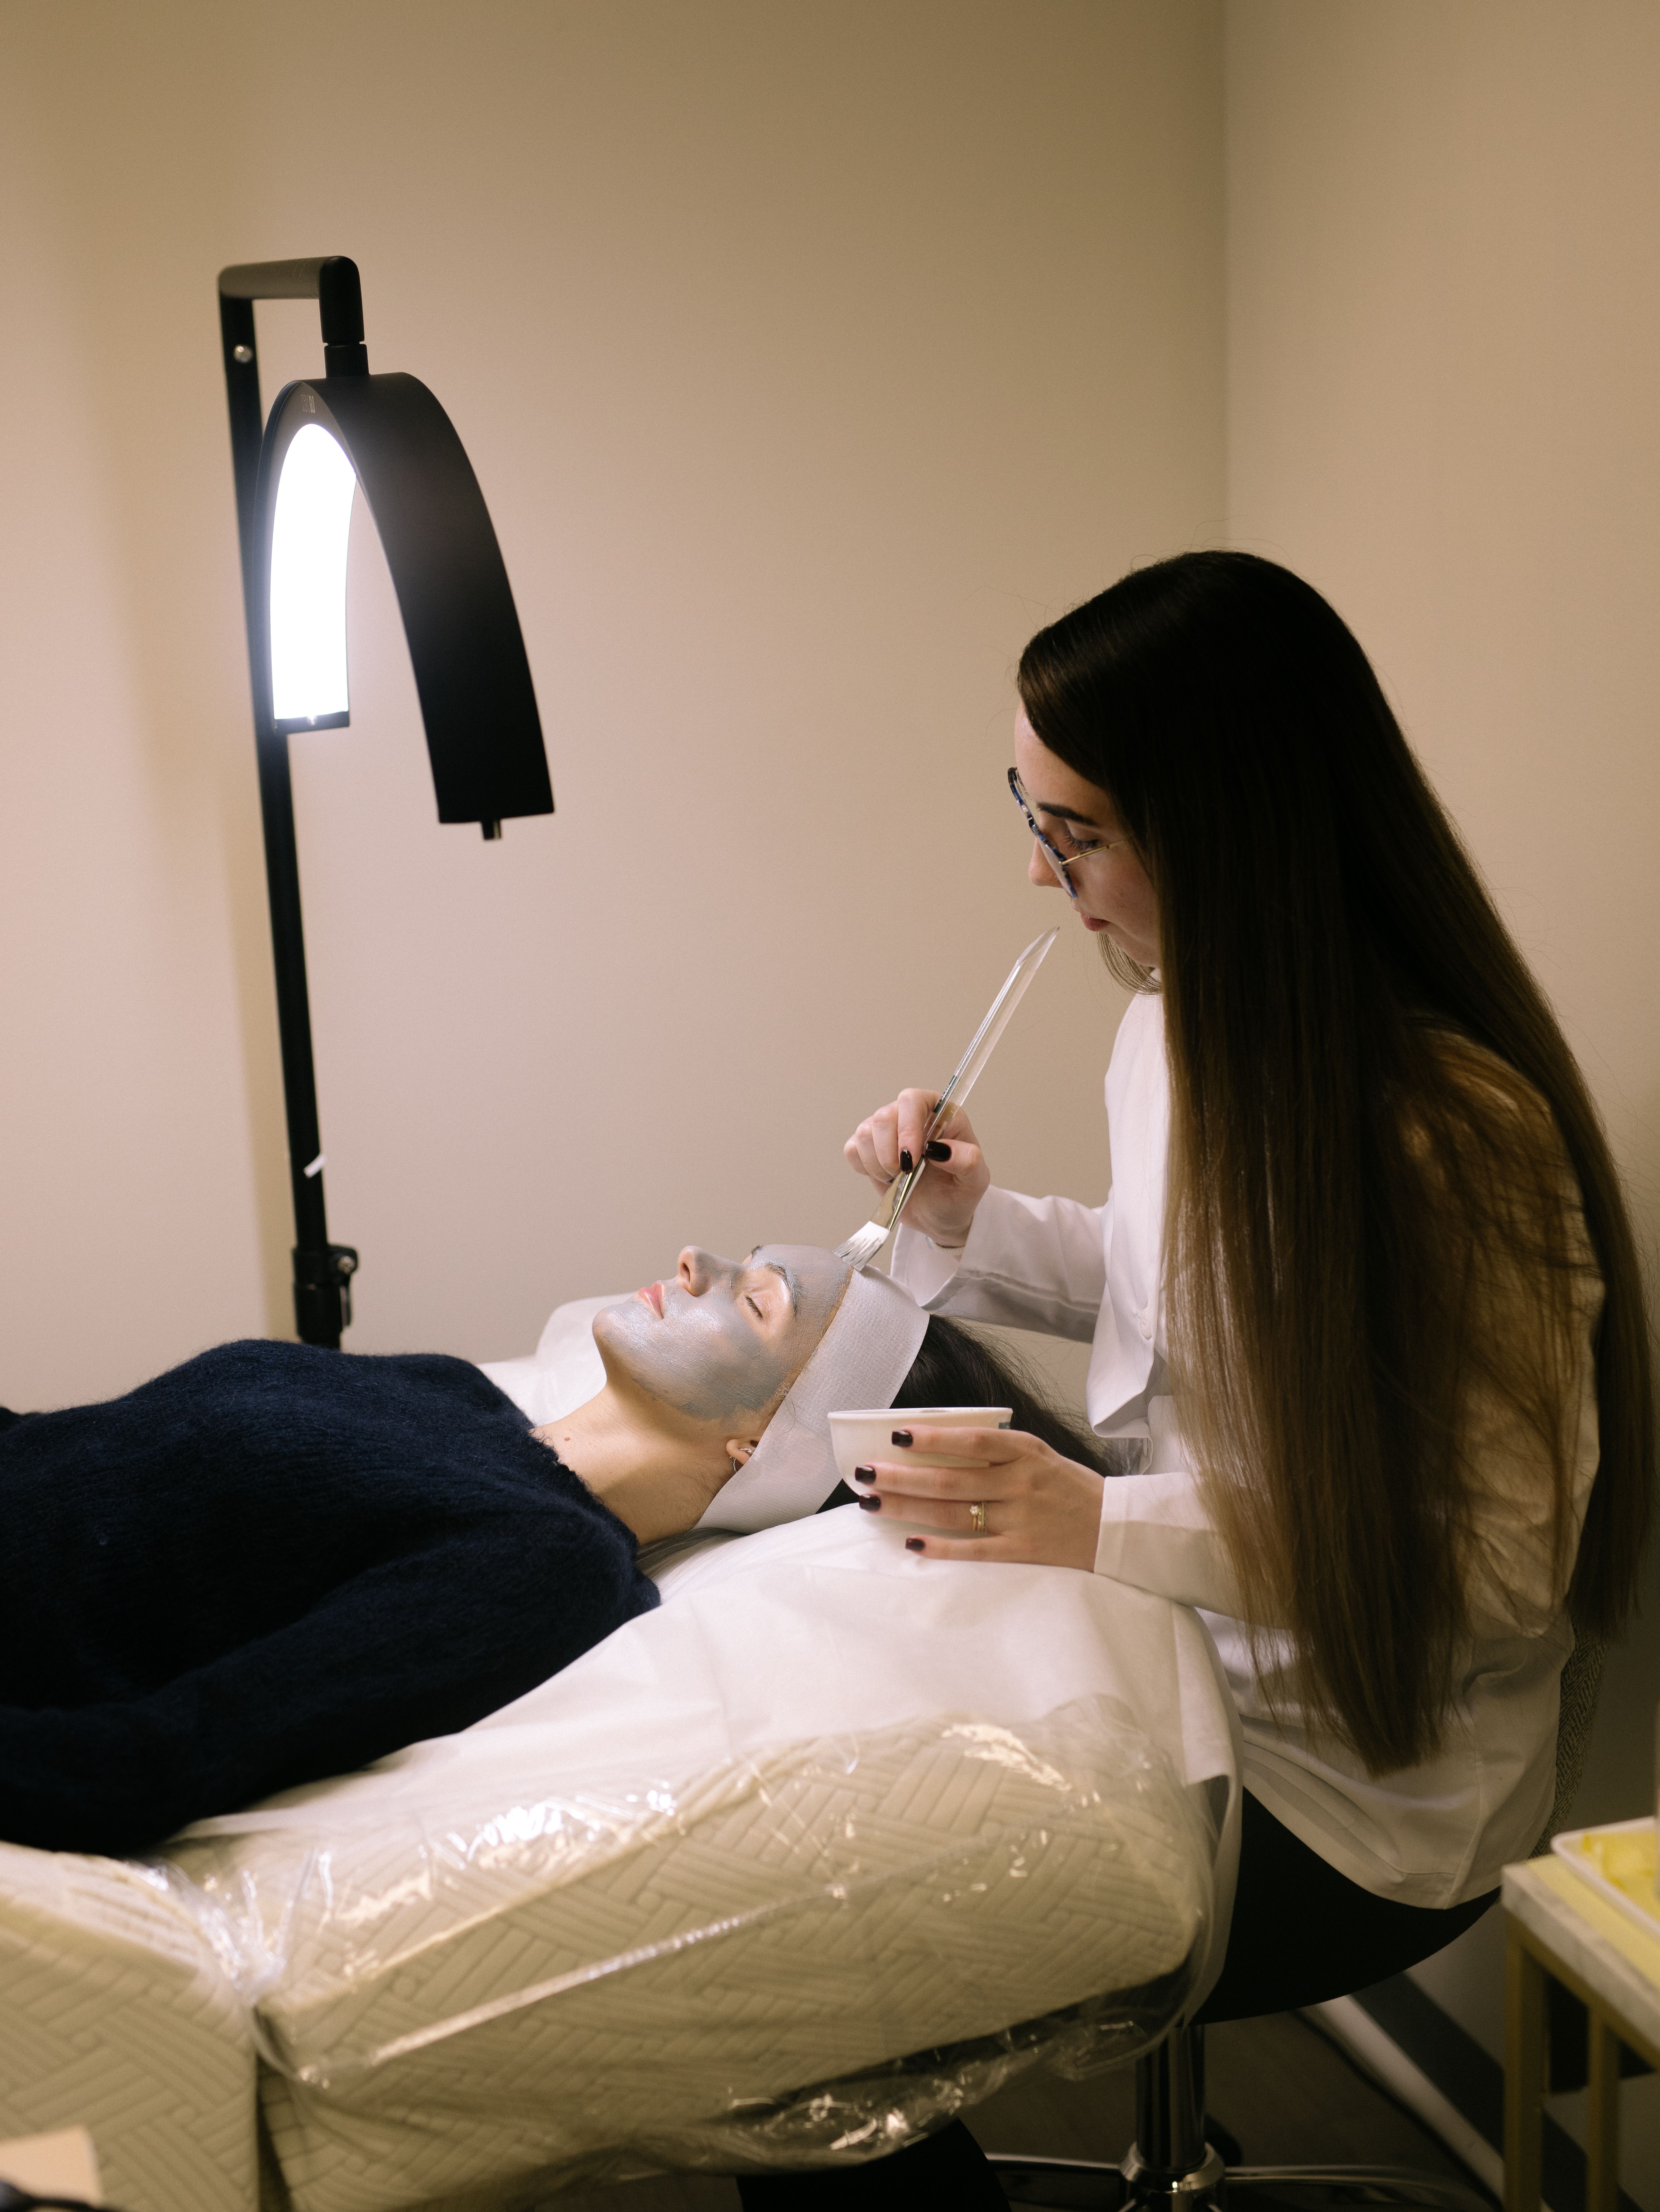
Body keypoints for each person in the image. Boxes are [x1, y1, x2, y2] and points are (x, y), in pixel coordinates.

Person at [798, 550, 1651, 2208]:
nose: (1047, 878)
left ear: (1229, 823)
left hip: (1351, 1796)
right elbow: (1168, 1295)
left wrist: (1102, 1525)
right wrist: (970, 1224)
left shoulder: (1446, 1139)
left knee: (831, 1976)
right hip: (1196, 1659)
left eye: (1080, 832)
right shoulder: (1177, 1030)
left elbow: (1485, 1574)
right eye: (1032, 818)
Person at [1, 1242, 1089, 1860]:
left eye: (752, 1300)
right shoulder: (448, 1389)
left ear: (767, 1441)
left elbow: (157, 1761)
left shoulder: (544, 1562)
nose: (697, 1257)